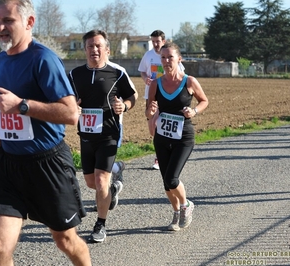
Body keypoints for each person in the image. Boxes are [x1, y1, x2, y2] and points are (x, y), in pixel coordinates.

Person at [0, 1, 91, 265]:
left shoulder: (43, 59)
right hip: (9, 165)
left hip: (47, 165)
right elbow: (8, 108)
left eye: (8, 21)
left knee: (65, 240)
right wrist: (2, 132)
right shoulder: (1, 59)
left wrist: (22, 106)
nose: (0, 27)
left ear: (29, 22)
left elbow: (70, 114)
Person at [68, 29, 137, 243]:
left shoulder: (117, 72)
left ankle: (101, 224)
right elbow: (68, 100)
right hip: (86, 134)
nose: (94, 49)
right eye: (90, 46)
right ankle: (115, 183)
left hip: (109, 133)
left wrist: (123, 106)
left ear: (107, 49)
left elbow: (132, 96)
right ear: (85, 49)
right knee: (91, 183)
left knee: (99, 181)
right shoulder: (75, 74)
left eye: (98, 46)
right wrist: (73, 109)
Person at [145, 42, 208, 231]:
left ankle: (186, 205)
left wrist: (194, 111)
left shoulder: (189, 81)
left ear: (178, 59)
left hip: (183, 137)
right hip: (162, 136)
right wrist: (151, 110)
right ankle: (176, 213)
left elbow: (204, 100)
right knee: (166, 183)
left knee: (172, 178)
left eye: (170, 57)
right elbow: (148, 110)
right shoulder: (156, 83)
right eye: (163, 58)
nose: (165, 61)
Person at [138, 30, 185, 170]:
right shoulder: (148, 55)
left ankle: (160, 157)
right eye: (153, 41)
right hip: (150, 95)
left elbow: (182, 72)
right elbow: (142, 70)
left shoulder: (170, 54)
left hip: (165, 95)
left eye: (157, 41)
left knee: (161, 125)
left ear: (163, 41)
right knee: (152, 128)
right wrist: (146, 79)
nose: (155, 44)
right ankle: (164, 152)